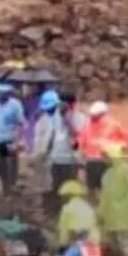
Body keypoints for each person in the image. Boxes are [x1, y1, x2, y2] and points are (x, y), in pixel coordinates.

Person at [29, 90, 77, 220]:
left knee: (64, 187)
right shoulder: (43, 120)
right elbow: (40, 140)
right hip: (47, 158)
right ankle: (49, 211)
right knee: (47, 186)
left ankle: (63, 212)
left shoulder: (68, 118)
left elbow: (74, 138)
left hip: (64, 159)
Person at [77, 101, 128, 195]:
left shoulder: (112, 125)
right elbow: (81, 143)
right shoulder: (89, 126)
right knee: (97, 189)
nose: (94, 118)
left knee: (99, 189)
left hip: (103, 161)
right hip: (96, 161)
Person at [0, 83, 26, 195]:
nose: (1, 95)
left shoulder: (15, 105)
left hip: (9, 140)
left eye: (4, 93)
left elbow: (20, 124)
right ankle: (1, 188)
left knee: (10, 166)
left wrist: (17, 142)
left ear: (9, 93)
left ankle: (10, 188)